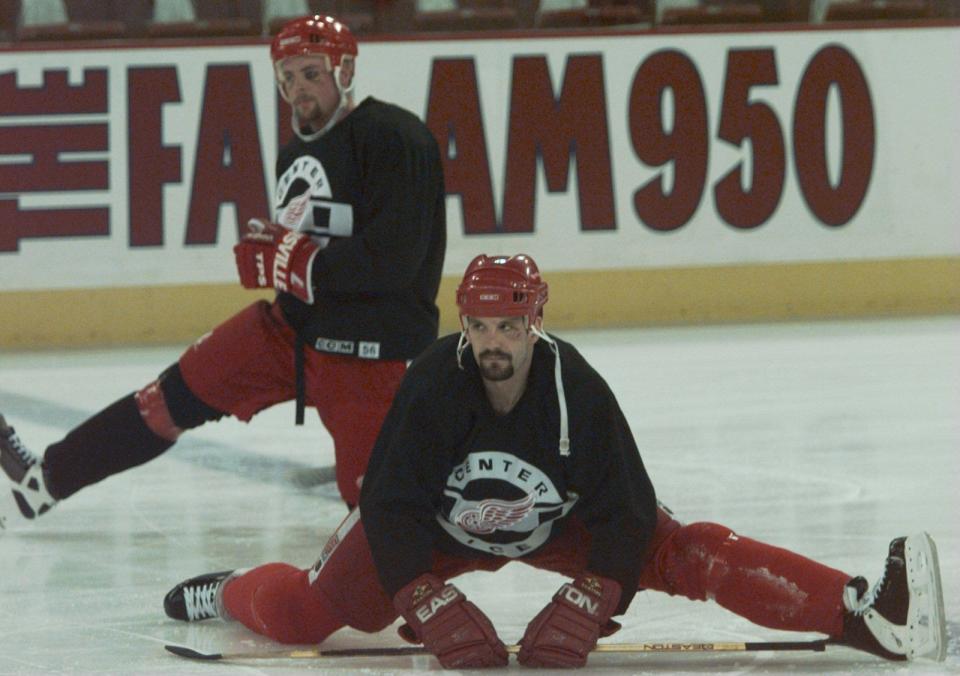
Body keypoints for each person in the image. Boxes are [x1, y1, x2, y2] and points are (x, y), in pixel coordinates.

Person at [160, 253, 946, 669]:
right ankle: (226, 591)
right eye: (478, 325)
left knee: (691, 553)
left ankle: (864, 614)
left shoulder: (581, 389)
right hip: (439, 531)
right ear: (462, 323)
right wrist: (423, 597)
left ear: (537, 320)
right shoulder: (434, 382)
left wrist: (596, 597)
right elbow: (388, 504)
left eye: (507, 327)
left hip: (554, 527)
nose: (492, 343)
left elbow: (633, 510)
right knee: (308, 615)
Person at [0, 14, 447, 530]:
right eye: (287, 78)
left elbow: (397, 260)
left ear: (344, 71)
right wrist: (279, 255)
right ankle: (44, 481)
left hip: (366, 351)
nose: (298, 89)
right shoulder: (294, 152)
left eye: (310, 73)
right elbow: (306, 254)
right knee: (165, 400)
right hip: (291, 329)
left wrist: (298, 262)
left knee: (379, 518)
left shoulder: (396, 138)